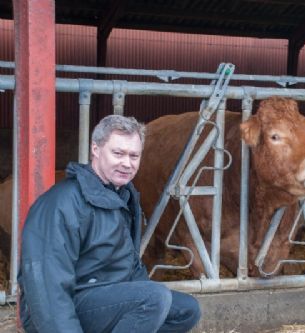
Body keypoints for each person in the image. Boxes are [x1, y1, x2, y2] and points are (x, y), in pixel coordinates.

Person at [18, 115, 201, 333]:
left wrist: (142, 291)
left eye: (134, 156)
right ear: (95, 149)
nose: (127, 163)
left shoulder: (122, 197)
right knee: (153, 299)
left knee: (186, 309)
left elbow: (129, 265)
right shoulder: (62, 202)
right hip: (62, 307)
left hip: (103, 297)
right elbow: (45, 285)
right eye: (118, 153)